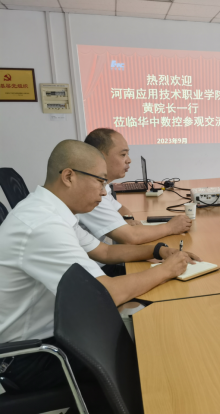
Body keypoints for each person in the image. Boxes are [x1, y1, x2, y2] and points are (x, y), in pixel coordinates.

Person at [0, 140, 200, 393]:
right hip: (31, 357)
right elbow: (105, 294)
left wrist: (157, 250)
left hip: (60, 328)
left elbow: (104, 251)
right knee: (153, 357)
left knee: (153, 335)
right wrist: (167, 270)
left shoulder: (51, 210)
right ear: (69, 177)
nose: (105, 193)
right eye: (99, 181)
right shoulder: (42, 225)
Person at [78, 128, 192, 246]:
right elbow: (130, 237)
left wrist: (128, 219)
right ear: (100, 156)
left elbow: (121, 209)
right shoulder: (90, 193)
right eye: (123, 154)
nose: (129, 160)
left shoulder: (102, 185)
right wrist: (170, 227)